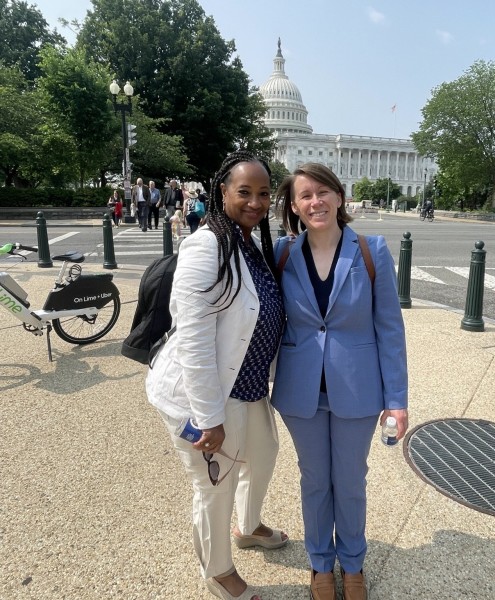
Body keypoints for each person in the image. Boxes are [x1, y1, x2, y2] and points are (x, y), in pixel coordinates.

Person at [146, 150, 288, 600]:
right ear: (221, 191)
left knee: (263, 455)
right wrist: (208, 417)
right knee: (214, 485)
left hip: (248, 388)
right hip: (206, 394)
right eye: (244, 191)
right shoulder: (208, 245)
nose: (255, 201)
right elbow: (193, 338)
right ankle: (218, 570)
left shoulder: (249, 242)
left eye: (263, 193)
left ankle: (248, 527)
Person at [272, 163, 408, 600]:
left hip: (358, 389)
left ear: (340, 196)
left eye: (323, 192)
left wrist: (397, 399)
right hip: (301, 390)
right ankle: (319, 564)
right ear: (294, 206)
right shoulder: (283, 253)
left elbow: (389, 327)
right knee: (314, 480)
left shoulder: (372, 251)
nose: (316, 202)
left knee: (350, 480)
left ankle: (352, 563)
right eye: (306, 196)